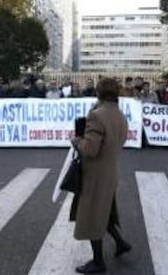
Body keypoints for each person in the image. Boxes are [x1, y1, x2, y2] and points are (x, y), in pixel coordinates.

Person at [70, 77, 131, 274]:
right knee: (104, 212)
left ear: (99, 92)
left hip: (95, 173)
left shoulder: (97, 115)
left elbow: (90, 149)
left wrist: (77, 141)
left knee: (92, 215)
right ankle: (120, 243)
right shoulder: (120, 115)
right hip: (110, 171)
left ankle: (98, 262)